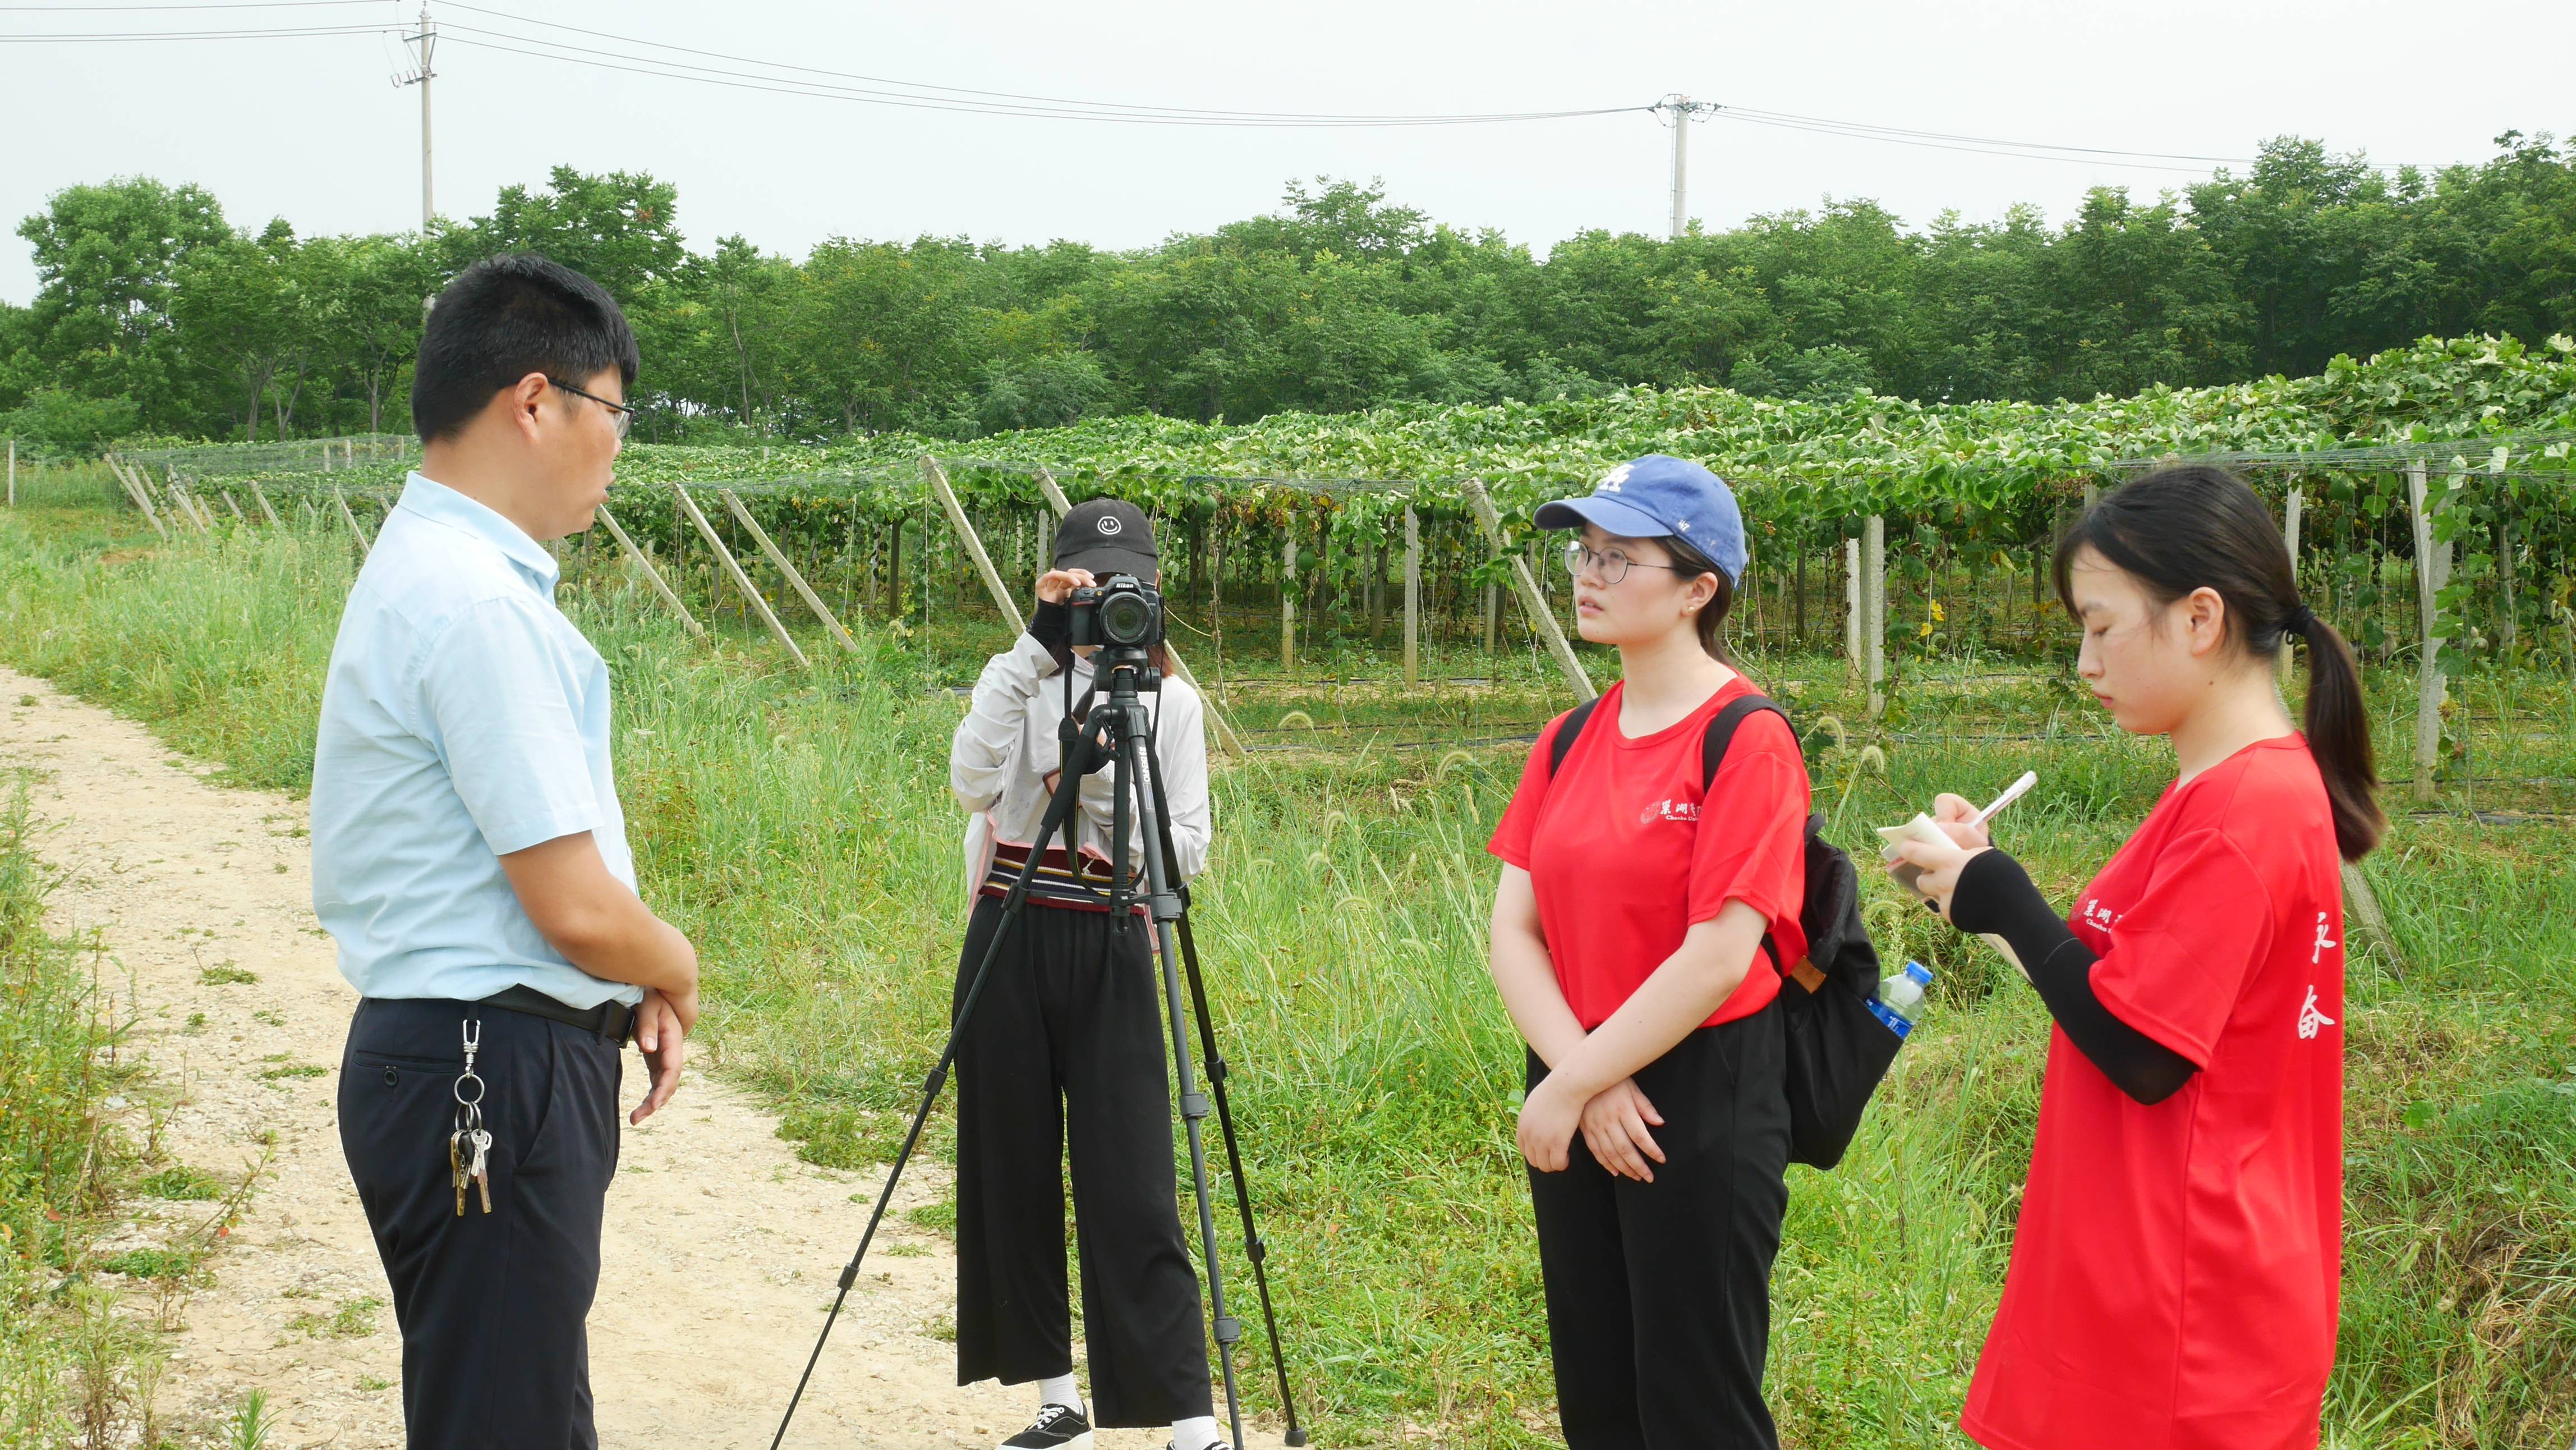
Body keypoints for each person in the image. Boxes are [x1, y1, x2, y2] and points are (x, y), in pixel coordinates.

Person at [1889, 465, 2379, 1450]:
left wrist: (2003, 896)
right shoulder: (2229, 790)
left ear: (2200, 619)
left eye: (2101, 627)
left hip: (2184, 1312)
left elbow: (2146, 1055)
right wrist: (1974, 888)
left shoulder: (2243, 811)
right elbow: (2123, 992)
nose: (2085, 662)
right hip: (2162, 1279)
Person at [312, 254, 700, 1450]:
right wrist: (674, 963)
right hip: (491, 1060)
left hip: (461, 1055)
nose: (619, 447)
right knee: (506, 1420)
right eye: (616, 412)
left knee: (510, 1406)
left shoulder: (435, 570)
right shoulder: (479, 603)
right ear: (537, 401)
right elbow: (572, 905)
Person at [1485, 455, 1808, 1448]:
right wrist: (1579, 1080)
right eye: (1584, 553)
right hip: (1574, 1074)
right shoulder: (1568, 738)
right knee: (1599, 1388)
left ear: (1698, 590)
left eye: (1619, 558)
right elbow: (1514, 930)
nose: (1588, 575)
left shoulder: (1747, 739)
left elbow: (1720, 956)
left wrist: (1582, 1080)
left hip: (1699, 1091)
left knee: (1696, 1401)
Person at [946, 499, 1225, 1450]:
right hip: (1011, 927)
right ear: (1060, 587)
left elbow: (1188, 847)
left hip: (1111, 938)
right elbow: (971, 783)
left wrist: (1097, 785)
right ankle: (1057, 1400)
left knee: (1133, 1181)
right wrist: (1034, 646)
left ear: (1157, 591)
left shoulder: (1173, 703)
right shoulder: (1022, 677)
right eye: (1089, 585)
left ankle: (1189, 1419)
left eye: (1128, 585)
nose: (1111, 600)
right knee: (1011, 1167)